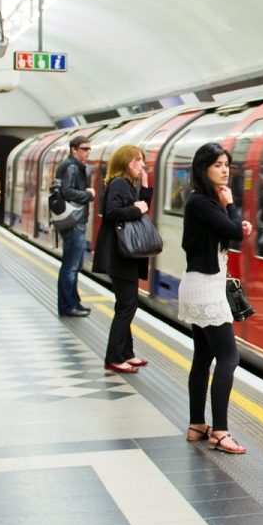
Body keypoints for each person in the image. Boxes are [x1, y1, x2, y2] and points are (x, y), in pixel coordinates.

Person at [180, 142, 253, 454]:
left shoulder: (204, 203)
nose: (225, 170)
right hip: (207, 288)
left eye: (227, 164)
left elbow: (226, 234)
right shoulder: (201, 202)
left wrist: (232, 221)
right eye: (218, 165)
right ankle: (220, 432)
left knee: (203, 357)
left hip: (200, 284)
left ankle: (198, 425)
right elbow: (234, 233)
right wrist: (232, 206)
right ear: (204, 169)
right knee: (228, 357)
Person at [92, 144, 152, 374]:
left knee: (127, 304)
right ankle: (114, 357)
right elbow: (111, 211)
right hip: (120, 254)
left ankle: (126, 353)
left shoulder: (127, 184)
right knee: (126, 306)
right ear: (127, 162)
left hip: (125, 254)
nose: (142, 165)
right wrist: (136, 209)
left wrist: (144, 188)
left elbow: (142, 208)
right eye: (138, 161)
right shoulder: (118, 183)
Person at [54, 134, 95, 317]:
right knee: (70, 265)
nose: (87, 152)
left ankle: (74, 302)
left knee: (74, 264)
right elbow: (67, 191)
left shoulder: (72, 166)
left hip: (74, 220)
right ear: (74, 150)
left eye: (89, 149)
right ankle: (68, 305)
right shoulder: (71, 166)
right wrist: (88, 195)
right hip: (74, 221)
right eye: (84, 149)